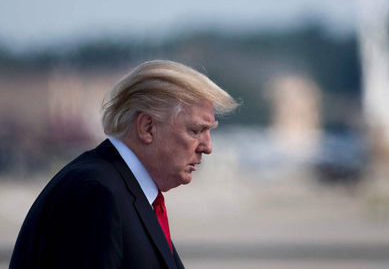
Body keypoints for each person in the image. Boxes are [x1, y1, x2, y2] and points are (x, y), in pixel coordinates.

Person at [10, 60, 238, 269]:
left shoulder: (121, 191)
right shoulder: (97, 194)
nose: (208, 147)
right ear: (147, 127)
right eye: (196, 131)